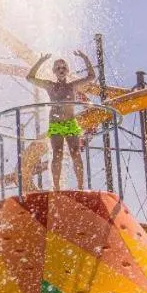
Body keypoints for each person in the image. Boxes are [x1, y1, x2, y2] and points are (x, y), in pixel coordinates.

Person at [26, 51, 95, 191]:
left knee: (75, 152)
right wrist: (40, 61)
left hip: (70, 123)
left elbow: (92, 76)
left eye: (63, 68)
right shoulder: (50, 86)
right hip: (56, 124)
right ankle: (56, 187)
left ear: (67, 71)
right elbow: (30, 78)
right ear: (54, 71)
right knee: (57, 154)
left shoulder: (72, 86)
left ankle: (81, 186)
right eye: (58, 68)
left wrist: (85, 58)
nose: (61, 70)